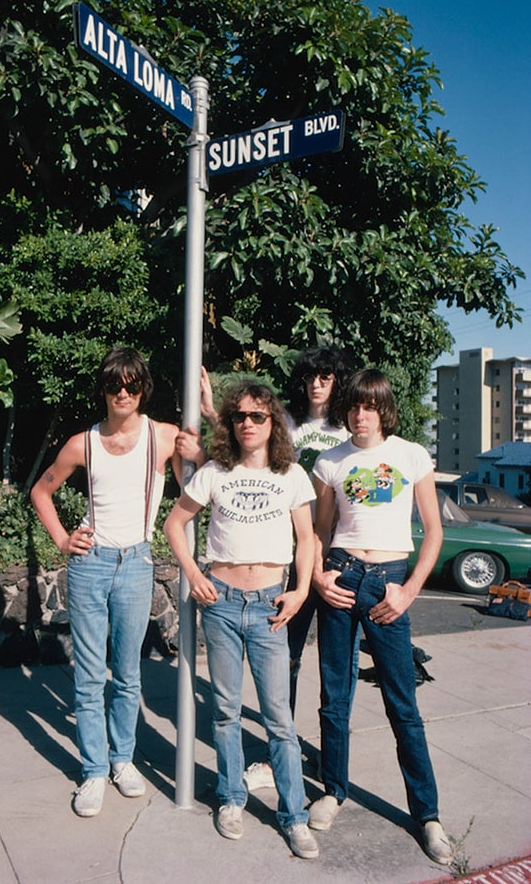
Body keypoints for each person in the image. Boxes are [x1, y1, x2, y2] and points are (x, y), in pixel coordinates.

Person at [31, 346, 195, 818]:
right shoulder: (82, 443)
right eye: (113, 385)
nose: (123, 393)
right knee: (88, 677)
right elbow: (41, 490)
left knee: (127, 674)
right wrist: (63, 539)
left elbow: (196, 490)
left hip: (136, 562)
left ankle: (122, 759)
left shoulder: (163, 437)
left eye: (131, 385)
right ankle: (94, 770)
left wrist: (200, 444)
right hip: (90, 564)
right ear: (102, 390)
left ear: (144, 389)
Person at [164, 380, 320, 860]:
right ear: (230, 424)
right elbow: (174, 523)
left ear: (273, 423)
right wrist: (194, 574)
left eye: (257, 416)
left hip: (272, 606)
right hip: (223, 604)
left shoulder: (291, 474)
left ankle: (294, 816)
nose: (248, 424)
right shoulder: (215, 472)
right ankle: (231, 798)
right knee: (226, 711)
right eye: (239, 417)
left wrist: (301, 591)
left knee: (279, 720)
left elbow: (308, 539)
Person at [308, 368, 453, 865]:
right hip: (342, 579)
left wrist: (409, 591)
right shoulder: (330, 461)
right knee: (335, 697)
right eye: (353, 406)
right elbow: (319, 531)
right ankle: (333, 791)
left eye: (369, 406)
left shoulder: (411, 455)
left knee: (402, 704)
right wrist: (318, 577)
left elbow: (433, 531)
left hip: (389, 583)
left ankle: (427, 815)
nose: (360, 415)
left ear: (384, 409)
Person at [242, 347, 357, 793]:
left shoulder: (350, 427)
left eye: (326, 376)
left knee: (336, 668)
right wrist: (211, 411)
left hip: (338, 558)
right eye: (310, 376)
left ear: (337, 380)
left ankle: (333, 760)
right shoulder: (288, 424)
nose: (317, 384)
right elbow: (247, 446)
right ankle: (278, 756)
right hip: (290, 556)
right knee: (283, 659)